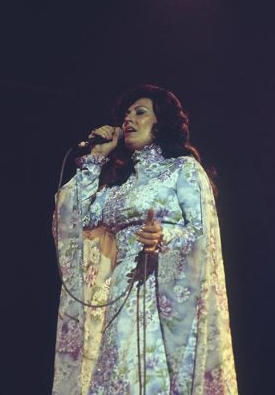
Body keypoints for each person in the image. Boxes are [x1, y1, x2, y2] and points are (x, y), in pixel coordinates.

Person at [53, 84, 238, 394]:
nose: (129, 120)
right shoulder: (119, 189)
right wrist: (97, 157)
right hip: (120, 299)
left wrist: (165, 236)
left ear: (160, 122)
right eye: (126, 115)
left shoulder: (184, 170)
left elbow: (203, 236)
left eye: (140, 112)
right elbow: (74, 220)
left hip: (165, 300)